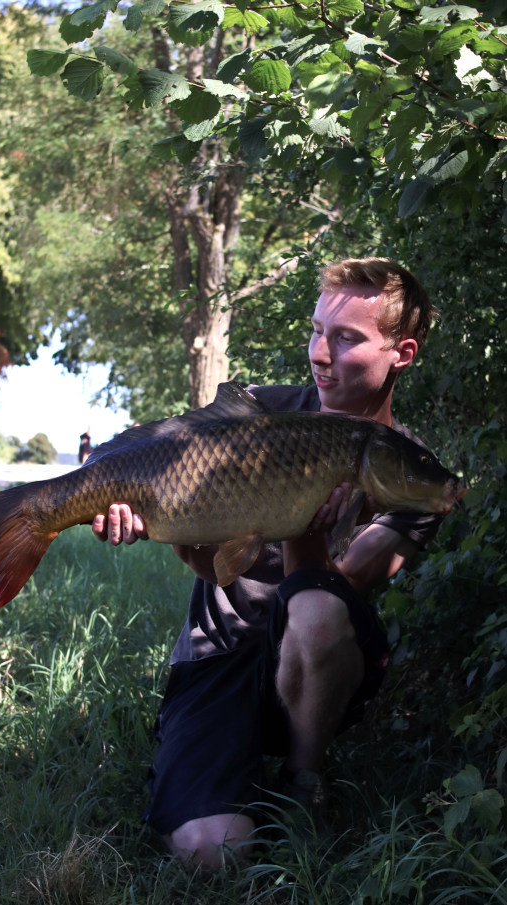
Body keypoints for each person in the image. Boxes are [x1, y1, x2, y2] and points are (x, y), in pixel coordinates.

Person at [91, 257, 444, 868]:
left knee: (315, 608)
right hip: (219, 655)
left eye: (347, 338)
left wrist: (305, 528)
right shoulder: (260, 409)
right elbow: (214, 569)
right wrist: (165, 529)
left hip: (312, 667)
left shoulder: (411, 473)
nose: (321, 353)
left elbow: (336, 598)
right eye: (316, 331)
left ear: (402, 352)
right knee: (213, 853)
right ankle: (208, 763)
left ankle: (305, 781)